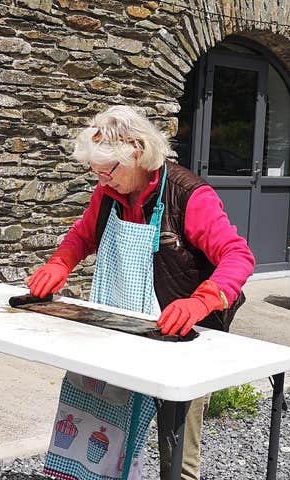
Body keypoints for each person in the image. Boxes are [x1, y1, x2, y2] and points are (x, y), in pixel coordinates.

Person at [28, 105, 255, 480]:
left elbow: (238, 255)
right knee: (98, 425)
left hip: (179, 336)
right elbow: (83, 234)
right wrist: (60, 264)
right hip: (120, 330)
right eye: (95, 172)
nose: (102, 181)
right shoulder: (108, 194)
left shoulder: (189, 196)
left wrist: (203, 299)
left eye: (109, 171)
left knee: (176, 451)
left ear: (137, 149)